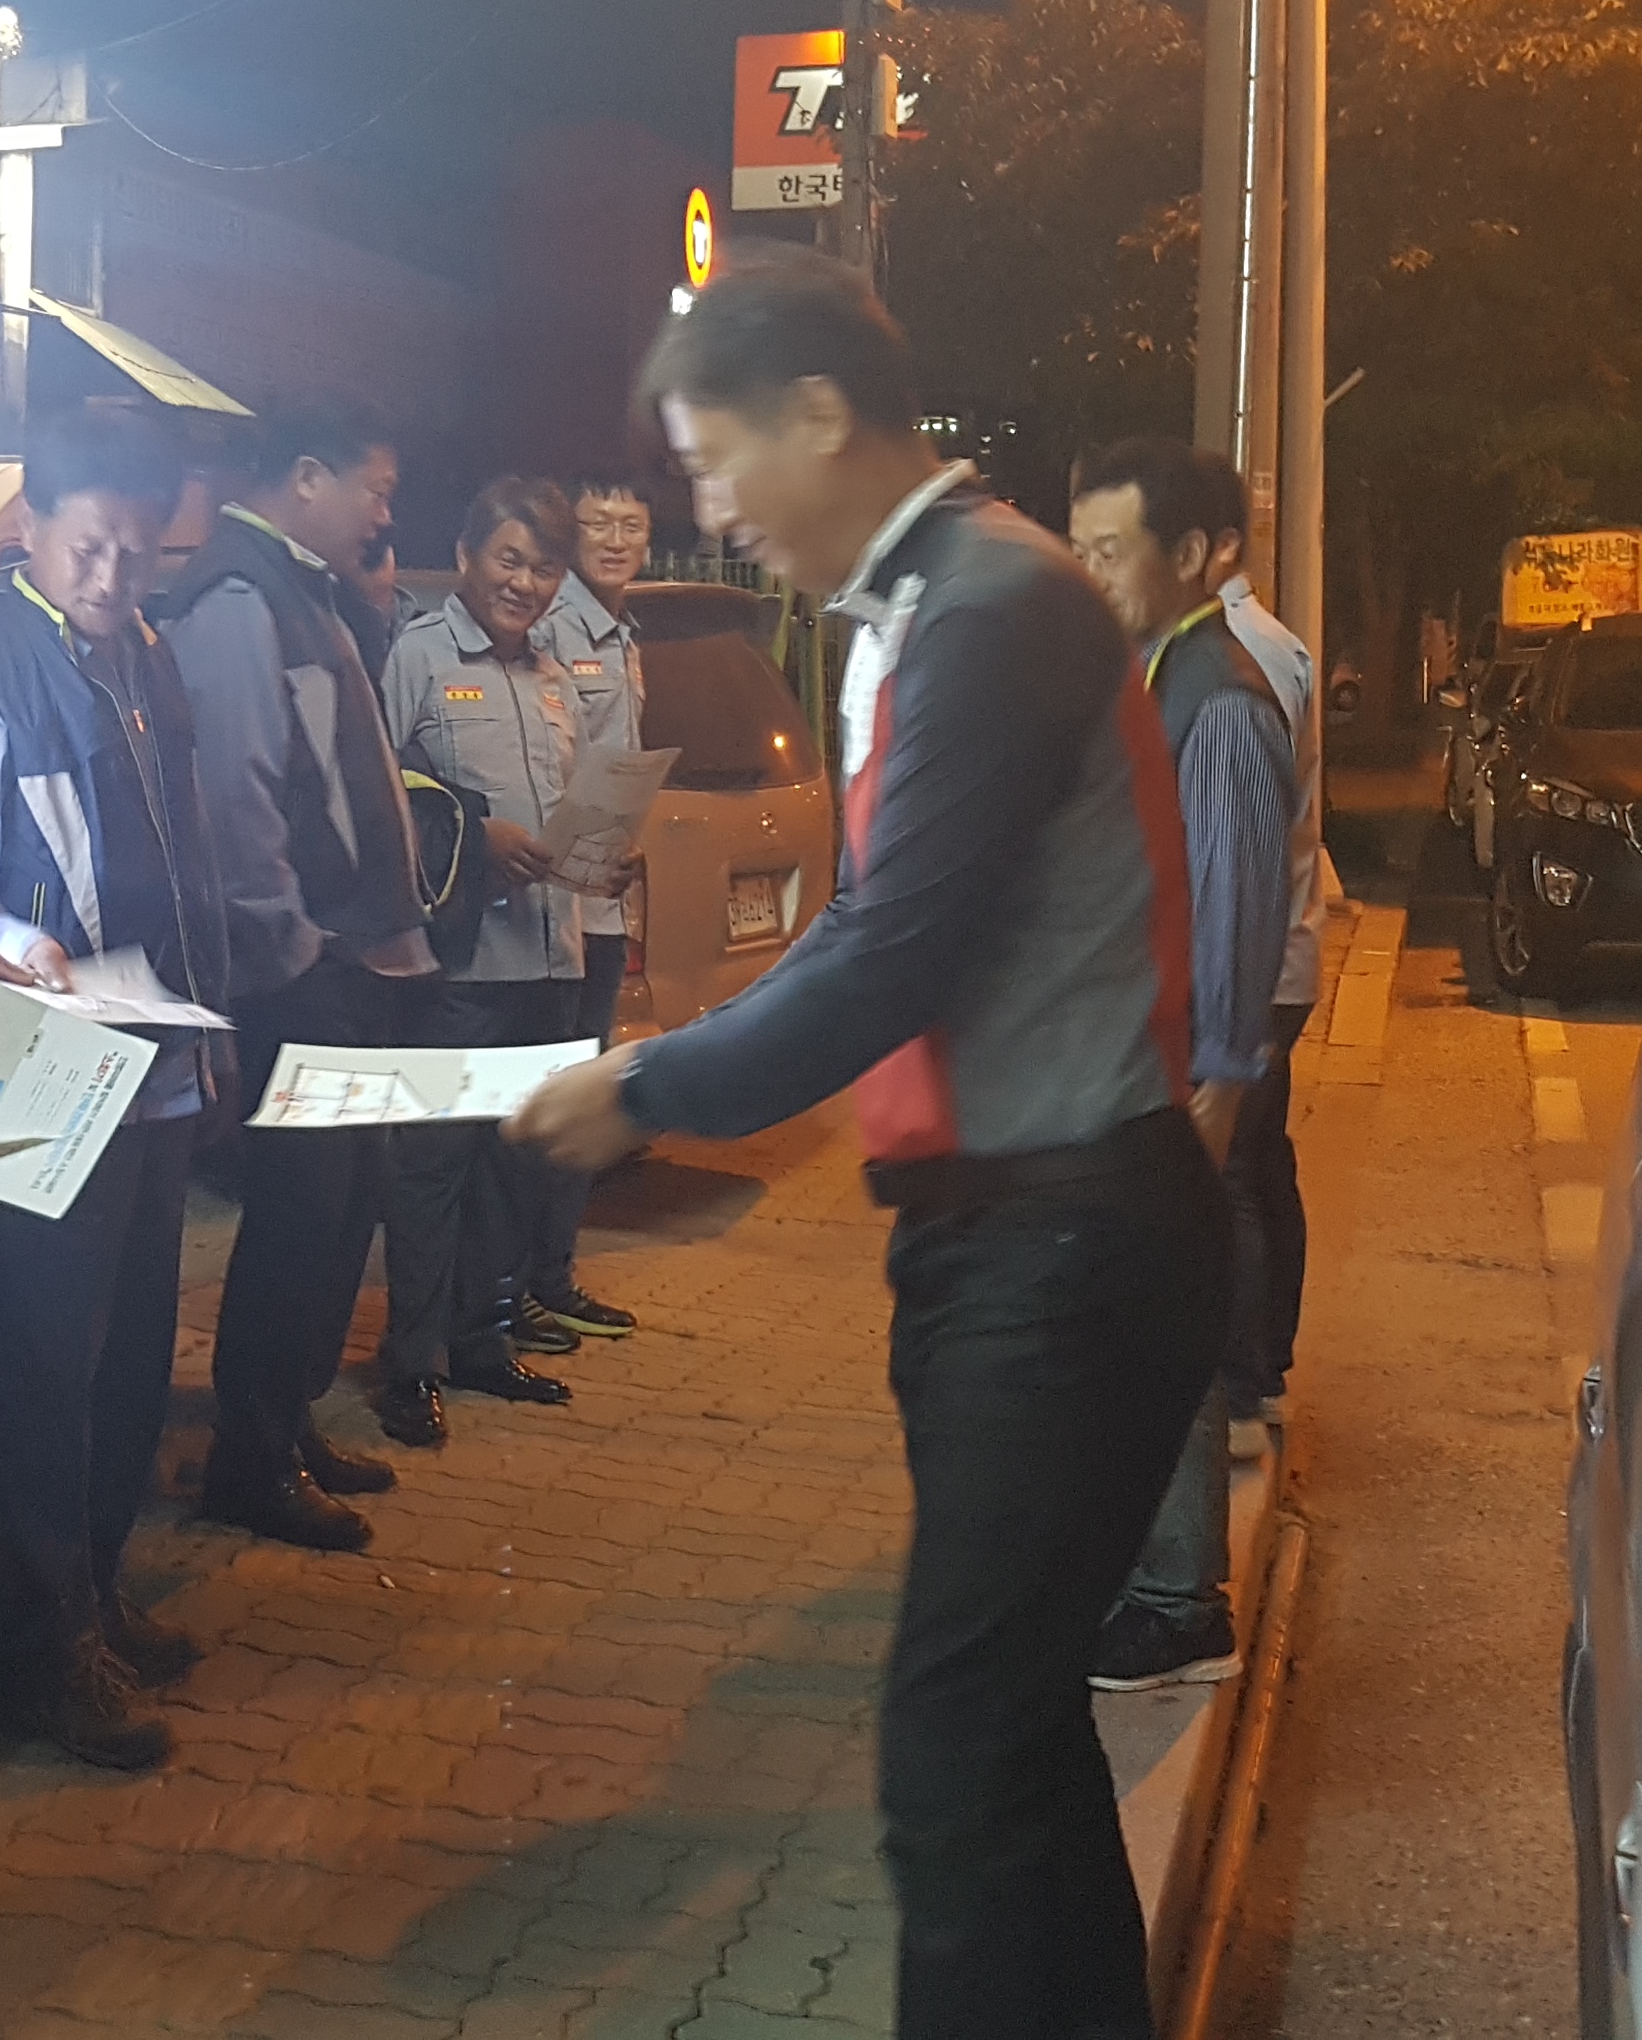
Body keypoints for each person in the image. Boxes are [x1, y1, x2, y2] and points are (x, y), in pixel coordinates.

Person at [507, 247, 1226, 2040]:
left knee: (955, 1756)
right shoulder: (943, 599)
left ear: (820, 413)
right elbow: (877, 928)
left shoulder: (990, 605)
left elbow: (892, 945)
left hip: (1058, 1250)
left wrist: (648, 1085)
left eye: (714, 461)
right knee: (1009, 1742)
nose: (711, 512)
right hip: (1018, 1241)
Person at [0, 413, 232, 1770]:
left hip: (155, 1064)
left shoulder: (141, 651)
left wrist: (210, 1027)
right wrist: (13, 944)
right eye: (91, 546)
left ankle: (92, 1595)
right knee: (47, 1368)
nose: (112, 576)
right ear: (29, 525)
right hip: (44, 1071)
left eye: (138, 554)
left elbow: (184, 860)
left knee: (133, 1355)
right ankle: (37, 1652)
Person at [145, 403, 423, 1552]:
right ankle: (249, 1462)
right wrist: (292, 948)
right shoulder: (236, 595)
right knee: (300, 1215)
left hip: (344, 959)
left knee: (339, 1209)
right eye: (375, 486)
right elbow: (238, 796)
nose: (384, 512)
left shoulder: (302, 590)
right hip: (301, 969)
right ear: (307, 476)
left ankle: (286, 1426)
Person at [1063, 439, 1298, 1696]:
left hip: (1178, 1082)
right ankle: (1142, 1570)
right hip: (1132, 1070)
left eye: (1111, 550)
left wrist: (1214, 1090)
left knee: (1169, 1329)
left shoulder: (1222, 702)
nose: (1090, 573)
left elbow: (1236, 916)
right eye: (1080, 548)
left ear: (1200, 555)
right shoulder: (1153, 674)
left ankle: (1179, 1600)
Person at [367, 479, 595, 1448]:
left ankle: (481, 1343)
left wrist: (605, 851)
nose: (525, 583)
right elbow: (381, 792)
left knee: (512, 1165)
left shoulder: (556, 677)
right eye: (509, 559)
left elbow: (572, 804)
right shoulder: (417, 657)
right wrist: (474, 830)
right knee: (433, 1168)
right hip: (460, 966)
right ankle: (411, 1364)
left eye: (544, 567)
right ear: (466, 556)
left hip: (550, 956)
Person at [520, 473, 656, 1345]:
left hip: (605, 903)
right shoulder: (551, 626)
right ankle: (515, 1289)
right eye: (598, 523)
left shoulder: (622, 631)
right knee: (549, 1101)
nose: (613, 539)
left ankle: (551, 1275)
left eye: (630, 525)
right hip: (558, 906)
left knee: (583, 1098)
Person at [1216, 527, 1340, 1454]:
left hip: (1251, 961)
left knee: (1232, 1169)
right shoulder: (1274, 644)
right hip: (1279, 953)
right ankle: (1266, 1368)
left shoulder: (1235, 661)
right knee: (1261, 1160)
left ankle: (1243, 1383)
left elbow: (1243, 844)